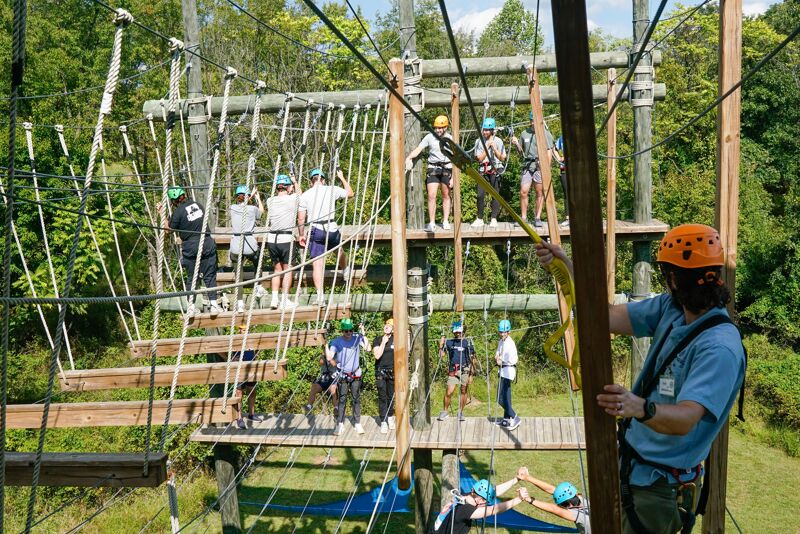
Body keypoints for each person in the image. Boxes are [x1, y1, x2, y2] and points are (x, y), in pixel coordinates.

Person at [535, 223, 746, 534]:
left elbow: (688, 417)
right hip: (634, 474)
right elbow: (604, 316)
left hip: (659, 490)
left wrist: (640, 407)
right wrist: (567, 266)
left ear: (672, 278)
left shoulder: (719, 348)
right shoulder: (673, 309)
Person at [297, 167, 355, 307]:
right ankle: (345, 270)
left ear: (311, 182)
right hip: (331, 227)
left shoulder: (305, 195)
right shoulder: (332, 189)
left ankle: (320, 297)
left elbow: (301, 219)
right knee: (339, 250)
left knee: (317, 264)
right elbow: (350, 194)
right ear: (323, 180)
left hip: (316, 229)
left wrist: (301, 235)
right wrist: (341, 178)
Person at [166, 186, 220, 317]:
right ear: (184, 195)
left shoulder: (178, 212)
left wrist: (162, 214)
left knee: (192, 278)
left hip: (190, 246)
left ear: (173, 201)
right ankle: (213, 305)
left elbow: (168, 230)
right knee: (209, 276)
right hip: (206, 243)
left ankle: (191, 307)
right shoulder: (198, 205)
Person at [511, 112, 562, 228]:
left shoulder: (546, 134)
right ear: (530, 121)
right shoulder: (524, 133)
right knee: (523, 191)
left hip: (540, 166)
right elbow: (521, 152)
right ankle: (523, 218)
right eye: (532, 120)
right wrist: (516, 144)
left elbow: (549, 151)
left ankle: (537, 217)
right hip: (528, 165)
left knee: (539, 192)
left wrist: (545, 167)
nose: (533, 123)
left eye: (535, 120)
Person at [404, 114, 454, 232]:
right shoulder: (429, 137)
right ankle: (432, 222)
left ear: (446, 127)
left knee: (446, 195)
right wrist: (409, 158)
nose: (438, 130)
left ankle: (445, 220)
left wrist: (454, 178)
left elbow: (456, 158)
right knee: (431, 195)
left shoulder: (450, 139)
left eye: (440, 128)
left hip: (447, 168)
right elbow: (418, 149)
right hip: (433, 168)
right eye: (436, 128)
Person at [433, 476, 533, 534]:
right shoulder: (466, 510)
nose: (486, 504)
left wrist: (516, 479)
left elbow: (494, 491)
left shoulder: (465, 496)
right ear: (481, 501)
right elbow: (493, 510)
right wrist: (519, 499)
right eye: (486, 502)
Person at [229, 183, 268, 313]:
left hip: (236, 245)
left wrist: (249, 197)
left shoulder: (232, 208)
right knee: (257, 260)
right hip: (249, 245)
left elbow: (242, 205)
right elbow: (261, 212)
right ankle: (258, 286)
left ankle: (240, 303)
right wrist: (256, 197)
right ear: (247, 198)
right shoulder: (252, 209)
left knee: (238, 275)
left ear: (236, 197)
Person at [326, 318, 370, 436]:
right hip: (343, 375)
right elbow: (330, 357)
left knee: (356, 399)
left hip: (355, 373)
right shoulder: (337, 342)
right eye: (346, 331)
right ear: (342, 331)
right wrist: (325, 344)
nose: (349, 333)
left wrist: (363, 332)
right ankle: (340, 424)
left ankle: (357, 423)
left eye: (351, 330)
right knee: (342, 399)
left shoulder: (357, 338)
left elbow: (367, 348)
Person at [516, 467, 591, 533]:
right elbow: (554, 490)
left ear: (568, 505)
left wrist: (529, 499)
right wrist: (527, 477)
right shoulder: (581, 498)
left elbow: (554, 509)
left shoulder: (577, 515)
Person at [265, 173, 301, 310]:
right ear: (288, 188)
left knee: (276, 269)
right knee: (288, 270)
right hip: (286, 238)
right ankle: (285, 299)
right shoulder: (292, 199)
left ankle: (274, 299)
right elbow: (300, 195)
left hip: (272, 239)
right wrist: (294, 181)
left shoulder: (270, 200)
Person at [437, 321, 476, 422]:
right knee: (449, 391)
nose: (458, 334)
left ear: (463, 331)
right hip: (453, 370)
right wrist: (441, 345)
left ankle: (460, 412)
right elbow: (441, 355)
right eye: (456, 332)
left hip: (465, 369)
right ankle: (445, 411)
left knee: (463, 390)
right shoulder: (449, 342)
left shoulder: (468, 343)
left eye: (459, 332)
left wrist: (471, 374)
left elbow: (472, 359)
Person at [472, 117, 507, 228]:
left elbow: (502, 158)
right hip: (483, 169)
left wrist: (494, 148)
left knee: (495, 194)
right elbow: (479, 159)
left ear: (492, 130)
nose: (485, 132)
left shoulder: (498, 141)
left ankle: (493, 218)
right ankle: (480, 218)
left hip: (496, 168)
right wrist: (487, 147)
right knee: (480, 194)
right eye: (484, 130)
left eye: (487, 130)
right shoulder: (478, 141)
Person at [495, 319, 520, 430]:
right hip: (502, 371)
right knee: (506, 398)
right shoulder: (501, 341)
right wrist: (497, 356)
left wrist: (499, 359)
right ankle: (506, 420)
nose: (502, 334)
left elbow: (504, 359)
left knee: (500, 399)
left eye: (504, 332)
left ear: (509, 332)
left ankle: (515, 417)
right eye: (500, 332)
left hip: (508, 371)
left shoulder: (510, 343)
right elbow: (498, 353)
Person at [372, 317, 396, 434]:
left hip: (392, 371)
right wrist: (383, 342)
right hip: (380, 371)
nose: (387, 326)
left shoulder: (396, 340)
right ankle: (383, 421)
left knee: (391, 396)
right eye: (386, 325)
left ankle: (390, 417)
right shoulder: (377, 340)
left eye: (390, 325)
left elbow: (407, 350)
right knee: (382, 397)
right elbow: (377, 355)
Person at [305, 350, 339, 417]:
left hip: (333, 377)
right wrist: (324, 355)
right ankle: (309, 406)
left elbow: (334, 364)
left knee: (333, 390)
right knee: (314, 387)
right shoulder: (323, 356)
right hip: (324, 378)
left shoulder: (337, 355)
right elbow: (321, 363)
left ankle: (336, 408)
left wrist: (328, 356)